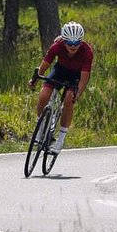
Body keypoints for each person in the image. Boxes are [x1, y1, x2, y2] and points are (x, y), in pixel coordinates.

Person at [31, 22, 93, 154]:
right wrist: (35, 79)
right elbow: (45, 64)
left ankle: (61, 139)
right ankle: (41, 126)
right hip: (60, 70)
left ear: (81, 41)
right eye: (69, 43)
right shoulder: (57, 46)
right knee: (43, 95)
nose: (73, 46)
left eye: (76, 43)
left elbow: (84, 78)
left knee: (69, 99)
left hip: (77, 75)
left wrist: (78, 94)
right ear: (63, 40)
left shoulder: (87, 51)